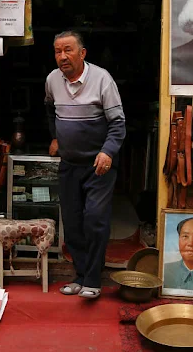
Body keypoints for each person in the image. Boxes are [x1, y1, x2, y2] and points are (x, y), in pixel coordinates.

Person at [45, 31, 126, 300]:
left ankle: (93, 280)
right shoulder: (52, 80)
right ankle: (80, 276)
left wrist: (108, 152)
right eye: (58, 51)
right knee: (72, 221)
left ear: (82, 53)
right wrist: (55, 136)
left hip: (98, 165)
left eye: (68, 50)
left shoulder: (102, 79)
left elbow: (117, 123)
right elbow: (48, 108)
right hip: (69, 163)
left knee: (94, 219)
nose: (62, 56)